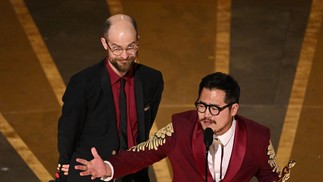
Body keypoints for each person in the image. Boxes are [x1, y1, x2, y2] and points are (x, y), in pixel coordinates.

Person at [74, 72, 283, 182]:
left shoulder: (258, 137)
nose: (206, 115)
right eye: (202, 106)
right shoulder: (181, 128)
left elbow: (269, 174)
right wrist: (109, 168)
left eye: (214, 109)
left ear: (234, 108)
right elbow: (142, 153)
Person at [54, 14, 164, 182]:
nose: (125, 55)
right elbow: (68, 132)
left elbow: (144, 128)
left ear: (138, 41)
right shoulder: (83, 83)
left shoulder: (152, 80)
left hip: (135, 175)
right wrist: (65, 165)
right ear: (104, 43)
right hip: (90, 174)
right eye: (117, 48)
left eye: (131, 47)